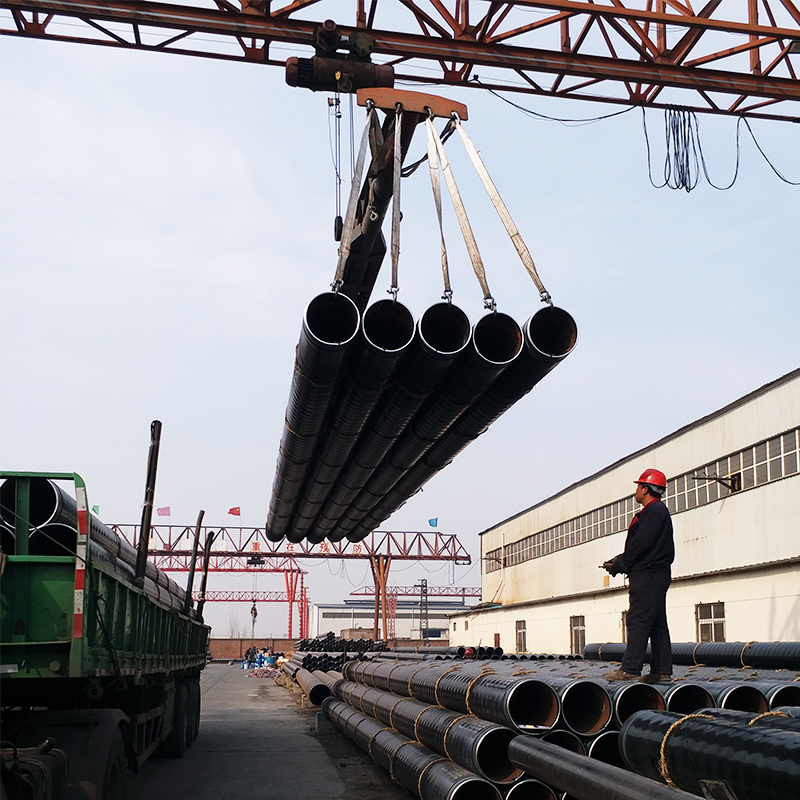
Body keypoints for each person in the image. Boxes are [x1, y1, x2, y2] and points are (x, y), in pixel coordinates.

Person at [603, 468, 674, 683]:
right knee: (657, 622)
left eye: (638, 486)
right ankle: (661, 672)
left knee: (639, 619)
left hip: (648, 575)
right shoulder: (657, 511)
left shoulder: (653, 511)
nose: (636, 490)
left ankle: (630, 669)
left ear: (645, 488)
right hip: (655, 573)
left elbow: (641, 544)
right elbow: (644, 545)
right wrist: (620, 561)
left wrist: (621, 563)